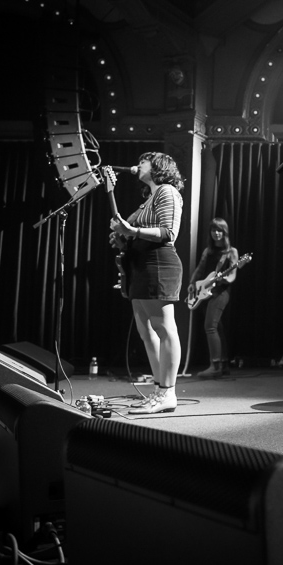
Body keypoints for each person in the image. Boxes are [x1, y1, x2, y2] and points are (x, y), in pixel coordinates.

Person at [110, 152, 185, 415]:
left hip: (158, 263)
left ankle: (168, 392)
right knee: (146, 332)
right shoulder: (149, 199)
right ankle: (158, 390)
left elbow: (168, 232)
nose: (138, 164)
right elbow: (132, 236)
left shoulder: (167, 191)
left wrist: (131, 231)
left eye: (144, 161)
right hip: (140, 264)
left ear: (158, 167)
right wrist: (122, 237)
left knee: (164, 328)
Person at [188, 217, 239, 380]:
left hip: (221, 293)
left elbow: (232, 276)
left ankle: (215, 366)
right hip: (206, 292)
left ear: (225, 233)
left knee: (210, 326)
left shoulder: (231, 252)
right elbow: (200, 269)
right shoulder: (207, 251)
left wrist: (221, 278)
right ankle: (223, 365)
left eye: (220, 231)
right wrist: (192, 284)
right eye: (213, 230)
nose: (216, 233)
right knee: (218, 327)